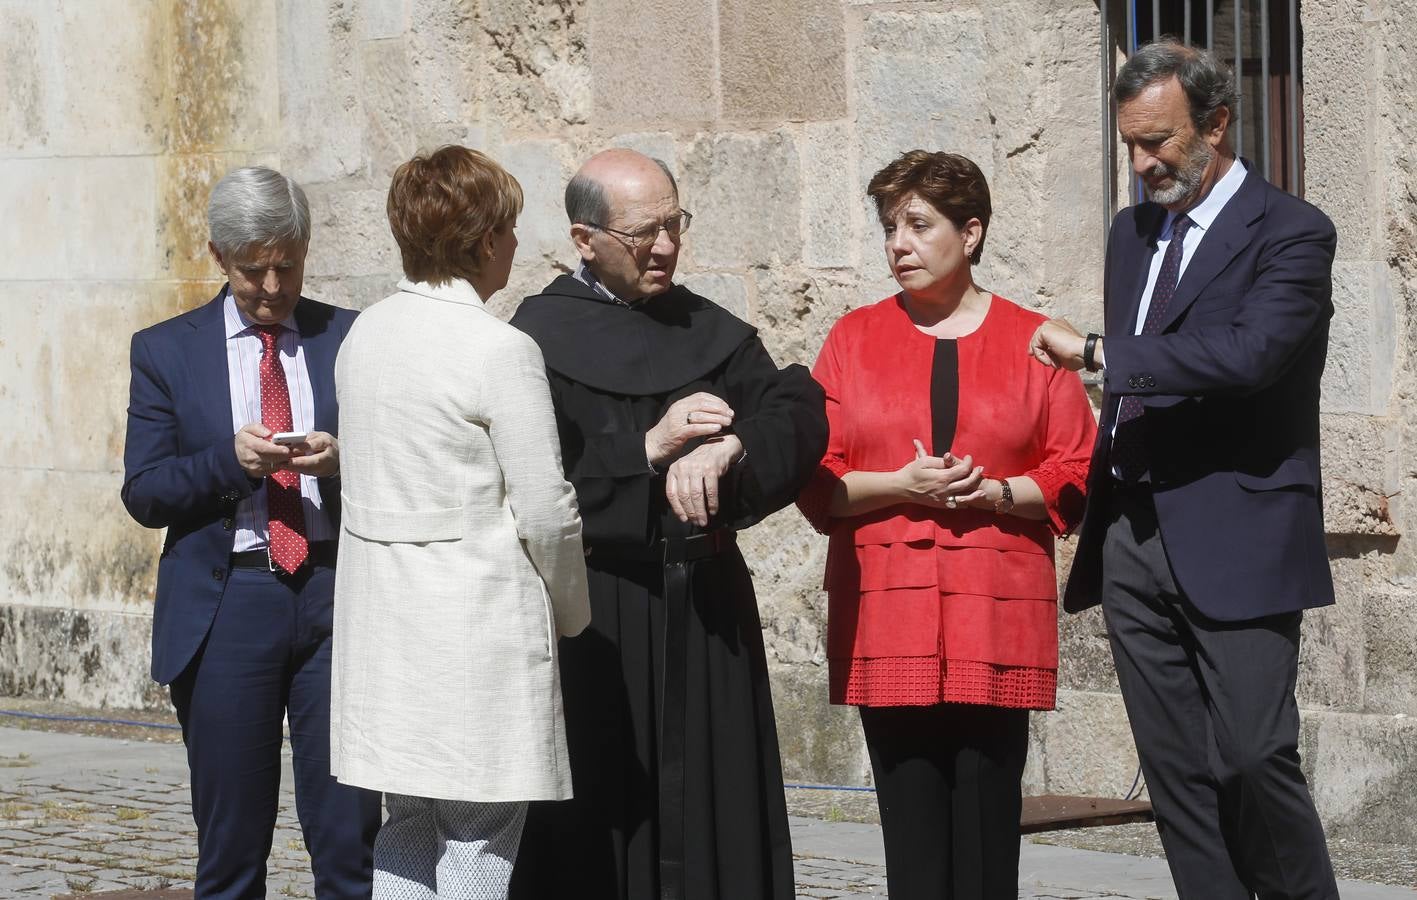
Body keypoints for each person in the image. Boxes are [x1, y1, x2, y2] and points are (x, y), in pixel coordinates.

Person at [1029, 41, 1339, 899]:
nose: (1140, 165)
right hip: (1131, 532)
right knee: (1175, 776)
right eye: (1128, 144)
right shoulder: (1130, 234)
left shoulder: (1291, 230)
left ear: (1216, 124)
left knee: (1249, 753)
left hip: (1239, 531)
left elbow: (1249, 354)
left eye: (1158, 142)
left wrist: (1097, 353)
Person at [506, 148, 827, 900]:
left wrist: (732, 447)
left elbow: (797, 409)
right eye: (642, 232)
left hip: (707, 608)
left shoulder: (703, 326)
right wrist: (644, 457)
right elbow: (530, 483)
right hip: (598, 616)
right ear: (585, 239)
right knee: (604, 817)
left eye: (674, 224)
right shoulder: (536, 337)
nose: (666, 246)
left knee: (717, 807)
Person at [796, 150, 1096, 899]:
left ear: (970, 233)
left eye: (917, 225)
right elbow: (815, 477)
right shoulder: (852, 339)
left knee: (987, 831)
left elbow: (1076, 470)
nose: (897, 243)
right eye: (889, 226)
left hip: (996, 615)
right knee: (913, 838)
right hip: (885, 611)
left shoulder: (1037, 340)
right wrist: (900, 484)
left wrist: (994, 492)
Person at [329, 146, 591, 900]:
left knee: (405, 824)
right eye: (507, 230)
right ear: (482, 242)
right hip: (476, 631)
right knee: (479, 834)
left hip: (386, 633)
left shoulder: (366, 336)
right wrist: (572, 612)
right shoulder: (498, 350)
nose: (513, 246)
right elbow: (544, 509)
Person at [121, 166, 380, 898]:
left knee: (350, 836)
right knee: (232, 849)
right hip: (229, 601)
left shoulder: (349, 337)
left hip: (335, 598)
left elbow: (398, 464)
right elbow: (144, 491)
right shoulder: (166, 351)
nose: (272, 287)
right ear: (217, 256)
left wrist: (340, 462)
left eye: (287, 267)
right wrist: (228, 462)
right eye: (252, 270)